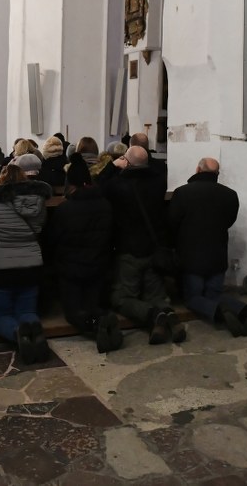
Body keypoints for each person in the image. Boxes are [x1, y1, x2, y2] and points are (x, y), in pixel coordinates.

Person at [101, 145, 184, 345]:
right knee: (156, 294)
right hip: (153, 248)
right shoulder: (157, 182)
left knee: (122, 298)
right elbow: (155, 168)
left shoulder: (117, 185)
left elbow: (99, 184)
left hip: (129, 250)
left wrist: (113, 165)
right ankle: (170, 316)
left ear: (126, 162)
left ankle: (154, 316)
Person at [0, 164, 53, 364]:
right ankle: (34, 331)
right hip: (31, 265)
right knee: (27, 311)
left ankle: (18, 334)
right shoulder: (39, 204)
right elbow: (40, 228)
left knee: (0, 315)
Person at [168, 157, 247, 335]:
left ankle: (220, 312)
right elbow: (228, 221)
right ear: (217, 174)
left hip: (191, 258)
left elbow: (172, 223)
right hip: (218, 255)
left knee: (193, 297)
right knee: (214, 295)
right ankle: (244, 309)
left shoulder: (182, 193)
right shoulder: (230, 195)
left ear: (197, 169)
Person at [46, 153, 121, 353]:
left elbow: (53, 239)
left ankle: (97, 326)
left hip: (70, 270)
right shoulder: (105, 205)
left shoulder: (65, 209)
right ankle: (102, 319)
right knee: (92, 303)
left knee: (72, 312)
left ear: (70, 184)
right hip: (98, 265)